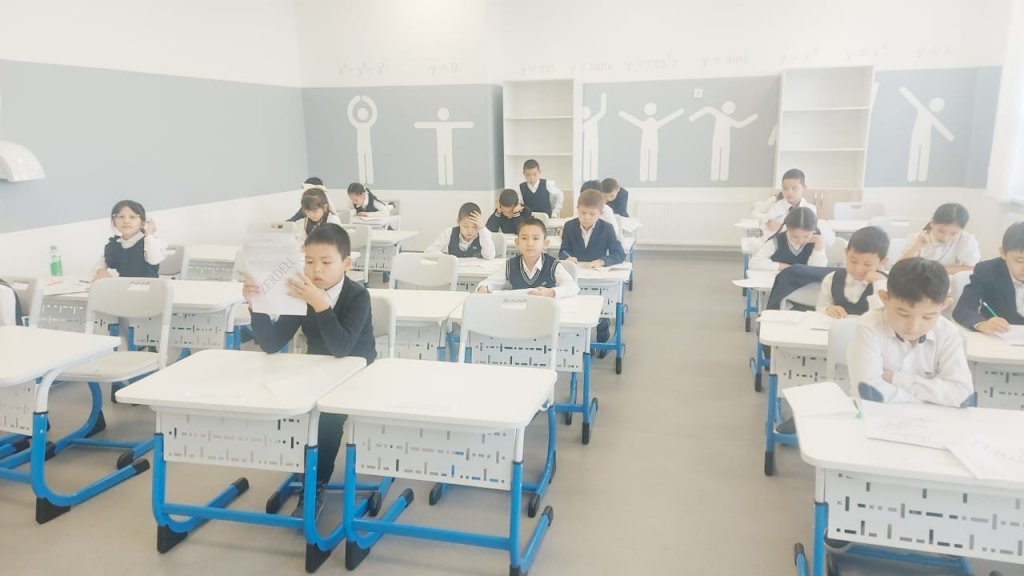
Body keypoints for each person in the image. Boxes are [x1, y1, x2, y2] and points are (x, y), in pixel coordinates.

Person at [243, 224, 376, 519]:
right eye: (309, 261)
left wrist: (320, 305)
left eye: (326, 262)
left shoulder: (358, 296)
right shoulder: (301, 291)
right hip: (318, 370)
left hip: (357, 371)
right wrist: (256, 305)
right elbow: (272, 343)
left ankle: (315, 484)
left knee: (327, 419)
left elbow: (342, 348)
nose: (316, 270)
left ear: (346, 264)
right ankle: (307, 468)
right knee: (285, 409)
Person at [848, 257, 974, 407]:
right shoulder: (870, 326)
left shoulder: (947, 332)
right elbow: (868, 391)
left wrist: (896, 379)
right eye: (904, 314)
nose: (913, 326)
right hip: (876, 414)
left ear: (944, 305)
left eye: (927, 317)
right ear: (885, 298)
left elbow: (962, 394)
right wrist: (931, 397)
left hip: (931, 419)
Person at [560, 188, 624, 344]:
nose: (586, 217)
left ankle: (603, 333)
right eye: (582, 213)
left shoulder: (606, 228)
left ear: (600, 213)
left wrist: (602, 261)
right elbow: (563, 250)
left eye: (592, 214)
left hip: (597, 277)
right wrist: (567, 258)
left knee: (601, 312)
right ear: (577, 210)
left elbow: (619, 253)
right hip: (576, 275)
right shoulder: (569, 226)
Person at [476, 217, 579, 298]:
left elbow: (573, 287)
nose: (530, 243)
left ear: (545, 243)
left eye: (535, 238)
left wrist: (551, 292)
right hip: (518, 312)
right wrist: (484, 288)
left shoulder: (553, 265)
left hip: (544, 312)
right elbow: (488, 283)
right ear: (517, 242)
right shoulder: (509, 265)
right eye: (524, 238)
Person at [953, 221, 1024, 333]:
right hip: (999, 337)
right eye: (1020, 261)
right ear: (1003, 253)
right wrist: (982, 324)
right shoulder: (987, 271)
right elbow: (963, 309)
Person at [816, 226, 889, 318]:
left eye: (867, 264)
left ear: (882, 262)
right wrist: (828, 309)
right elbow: (820, 307)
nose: (858, 269)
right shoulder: (832, 279)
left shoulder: (888, 283)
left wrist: (881, 283)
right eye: (853, 261)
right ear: (846, 253)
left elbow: (888, 316)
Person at [94, 200, 166, 279]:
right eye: (121, 217)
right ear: (114, 222)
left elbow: (154, 260)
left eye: (132, 217)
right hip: (124, 285)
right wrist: (100, 270)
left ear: (142, 222)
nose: (126, 221)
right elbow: (100, 264)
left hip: (148, 285)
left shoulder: (151, 241)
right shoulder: (114, 244)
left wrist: (148, 234)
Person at [899, 203, 980, 274]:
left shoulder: (965, 240)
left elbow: (972, 268)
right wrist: (917, 247)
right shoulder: (918, 238)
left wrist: (938, 270)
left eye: (953, 234)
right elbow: (900, 268)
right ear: (932, 223)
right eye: (941, 231)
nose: (945, 238)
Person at [749, 207, 826, 271]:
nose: (801, 241)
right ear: (787, 229)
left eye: (806, 236)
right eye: (795, 237)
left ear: (813, 231)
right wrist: (788, 267)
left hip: (805, 283)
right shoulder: (778, 241)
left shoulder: (816, 240)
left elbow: (817, 270)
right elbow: (754, 263)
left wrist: (818, 245)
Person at [424, 202, 495, 259]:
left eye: (475, 227)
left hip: (477, 271)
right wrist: (447, 258)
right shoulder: (449, 233)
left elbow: (490, 256)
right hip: (455, 270)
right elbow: (429, 252)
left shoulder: (483, 234)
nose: (470, 231)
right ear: (458, 221)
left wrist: (482, 229)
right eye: (466, 226)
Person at [759, 168, 814, 233]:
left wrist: (780, 227)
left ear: (804, 188)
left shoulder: (810, 209)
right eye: (785, 188)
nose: (789, 192)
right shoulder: (775, 207)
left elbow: (806, 232)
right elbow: (764, 227)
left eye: (794, 188)